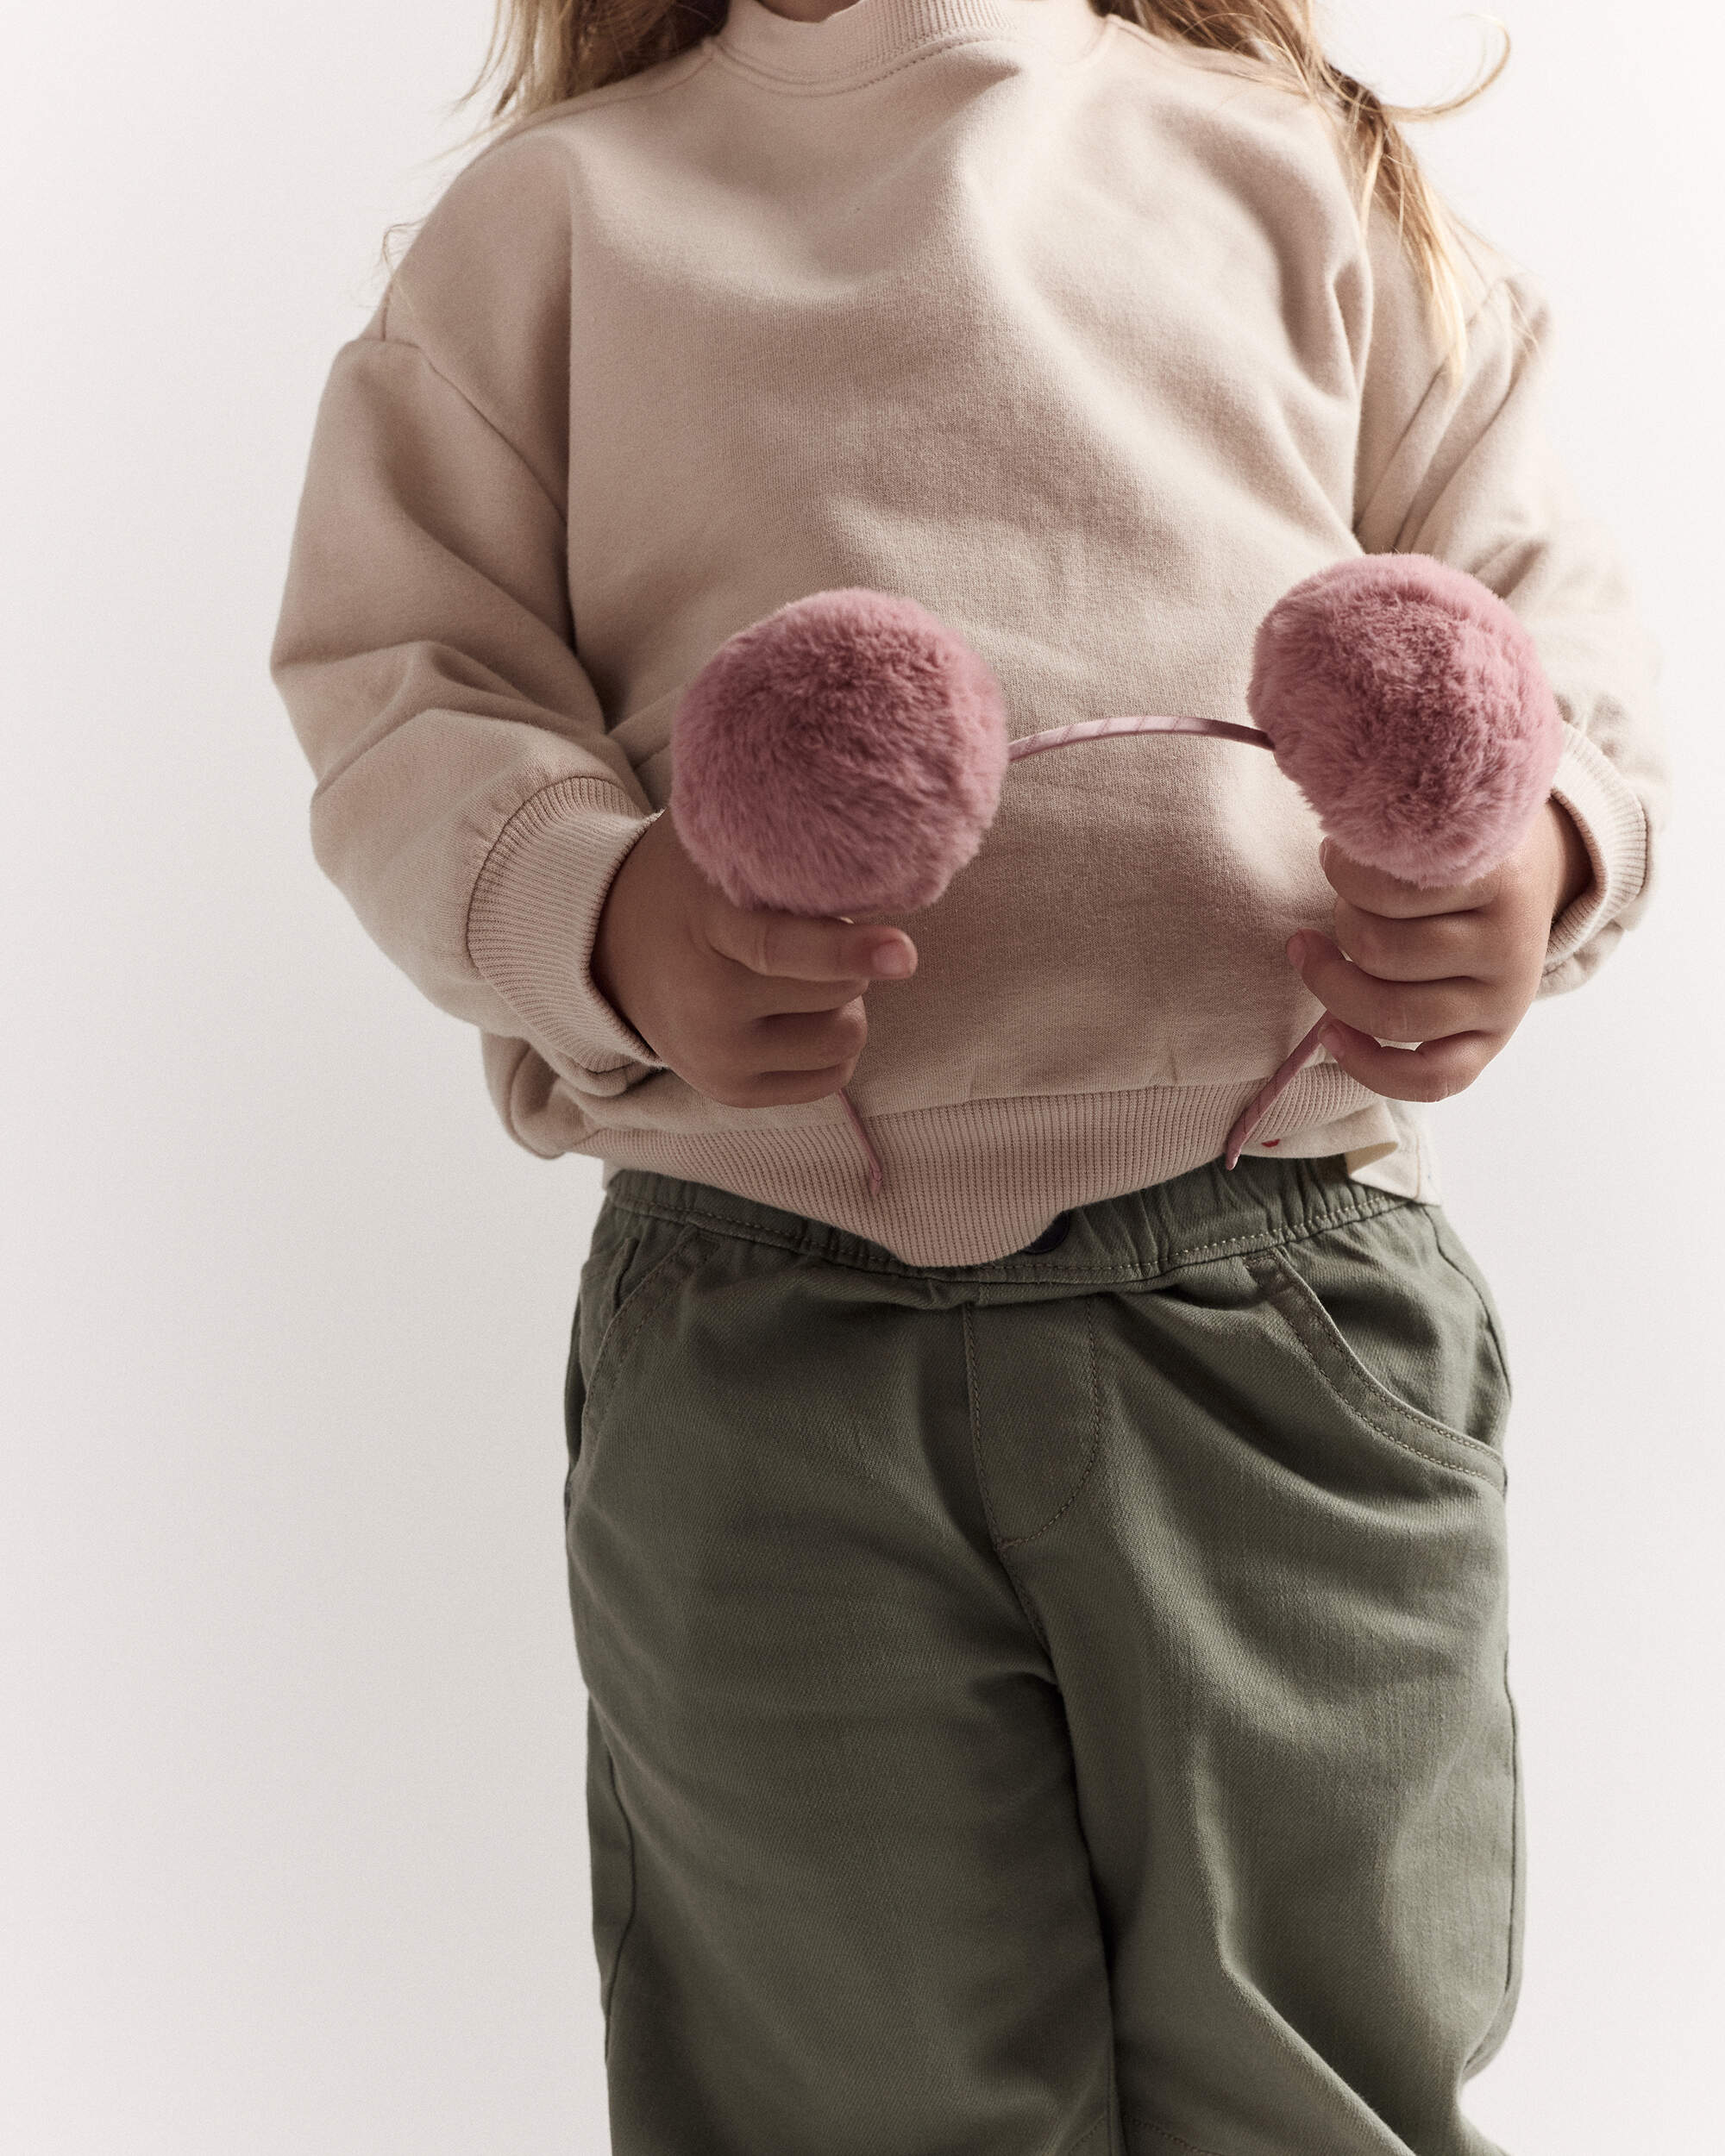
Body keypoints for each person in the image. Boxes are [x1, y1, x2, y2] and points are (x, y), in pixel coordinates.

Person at [272, 0, 1670, 2148]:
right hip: (765, 1323)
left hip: (1281, 1295)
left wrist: (1532, 852)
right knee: (841, 2095)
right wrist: (608, 914)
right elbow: (403, 687)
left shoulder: (1291, 172)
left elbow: (1536, 616)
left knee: (1317, 2086)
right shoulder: (552, 225)